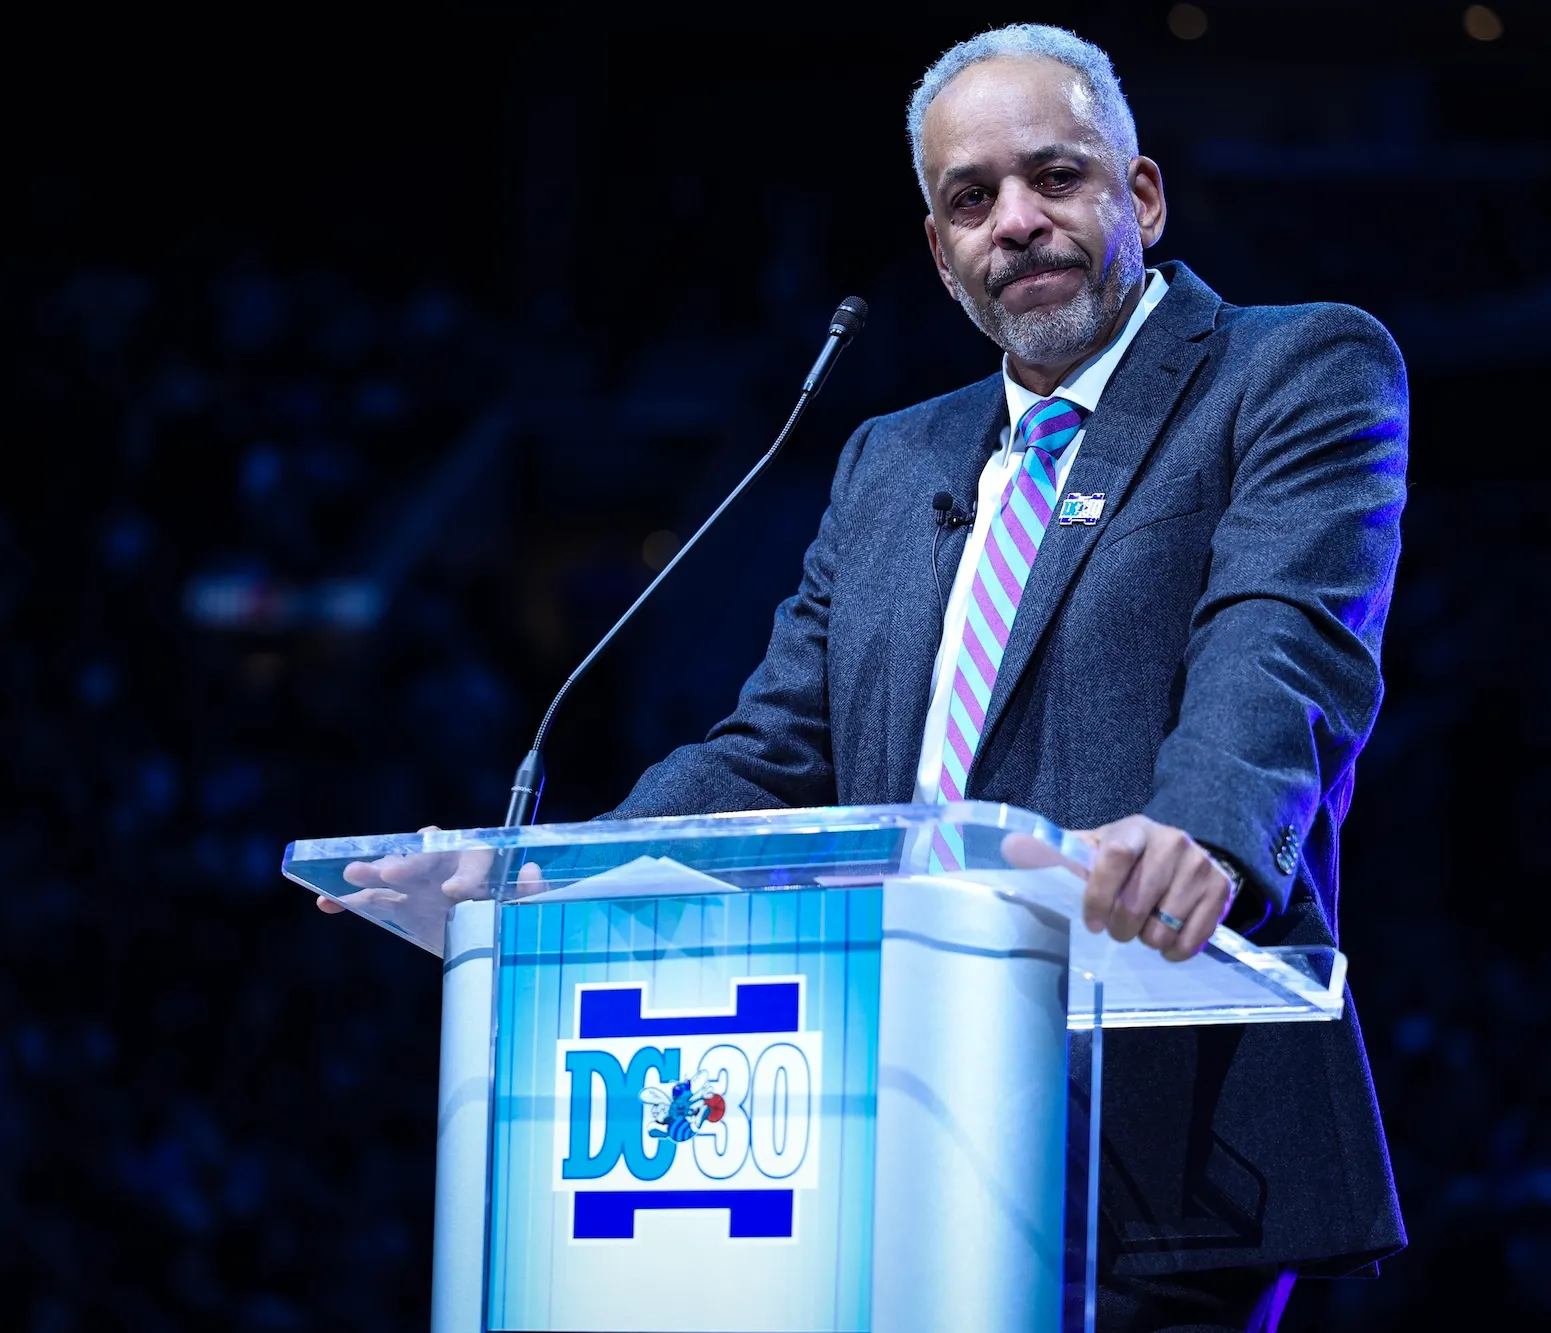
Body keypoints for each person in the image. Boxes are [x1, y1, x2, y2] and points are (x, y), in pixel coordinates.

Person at [334, 24, 1407, 1330]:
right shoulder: (894, 459)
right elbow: (776, 750)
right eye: (972, 198)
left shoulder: (1289, 368)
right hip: (883, 1106)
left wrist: (1203, 827)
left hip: (1162, 1130)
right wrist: (547, 877)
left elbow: (1281, 635)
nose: (1014, 221)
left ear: (1141, 195)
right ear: (939, 249)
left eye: (1055, 177)